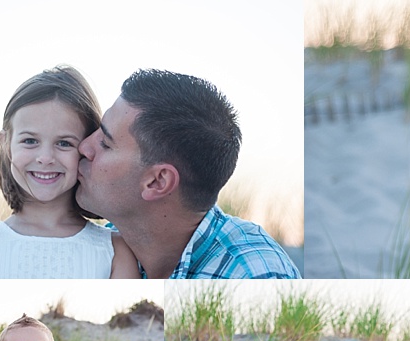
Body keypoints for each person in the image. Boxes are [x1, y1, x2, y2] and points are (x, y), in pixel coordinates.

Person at [75, 69, 301, 280]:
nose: (84, 147)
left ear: (157, 181)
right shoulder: (102, 246)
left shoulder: (255, 276)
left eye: (104, 143)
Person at [0, 65, 140, 279]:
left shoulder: (116, 251)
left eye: (64, 143)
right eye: (30, 141)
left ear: (86, 147)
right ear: (6, 143)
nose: (45, 158)